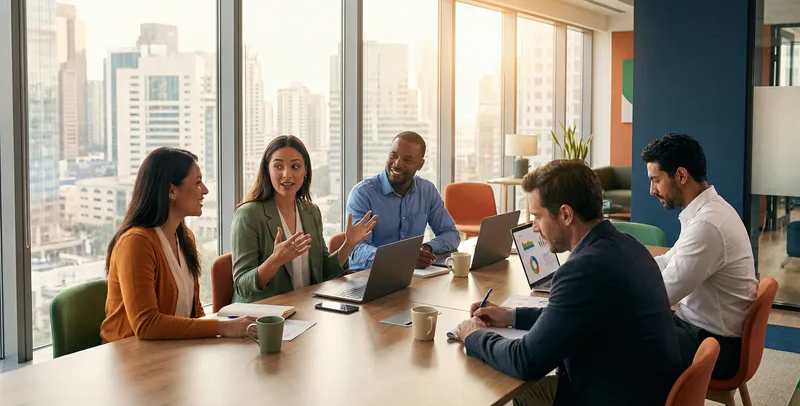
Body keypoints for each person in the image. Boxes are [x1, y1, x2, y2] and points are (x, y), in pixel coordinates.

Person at [454, 160, 681, 406]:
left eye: (538, 217)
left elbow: (525, 361)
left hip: (607, 396)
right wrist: (511, 316)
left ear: (565, 214)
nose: (535, 228)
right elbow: (571, 315)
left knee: (506, 388)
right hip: (646, 391)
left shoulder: (583, 270)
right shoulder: (628, 245)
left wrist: (474, 336)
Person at [101, 148, 253, 342]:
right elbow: (146, 324)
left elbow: (194, 311)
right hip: (132, 357)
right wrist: (223, 327)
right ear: (172, 190)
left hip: (173, 352)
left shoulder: (184, 236)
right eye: (198, 182)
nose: (205, 190)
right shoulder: (135, 242)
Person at [641, 133, 758, 379]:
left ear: (681, 176)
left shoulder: (707, 224)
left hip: (714, 346)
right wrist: (626, 269)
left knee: (615, 339)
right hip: (703, 330)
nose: (652, 190)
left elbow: (661, 294)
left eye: (656, 180)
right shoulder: (707, 211)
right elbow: (668, 261)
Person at [231, 135, 376, 302]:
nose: (287, 174)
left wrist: (349, 245)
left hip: (306, 309)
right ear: (267, 170)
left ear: (305, 171)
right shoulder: (248, 214)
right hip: (266, 316)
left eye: (295, 166)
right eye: (278, 166)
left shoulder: (311, 211)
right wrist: (274, 261)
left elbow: (323, 273)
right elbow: (242, 286)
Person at [346, 131, 460, 271]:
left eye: (407, 160)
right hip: (367, 275)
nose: (397, 164)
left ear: (420, 164)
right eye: (393, 156)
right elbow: (356, 248)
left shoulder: (427, 190)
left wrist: (426, 248)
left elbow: (451, 233)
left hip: (411, 274)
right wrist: (402, 258)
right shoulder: (362, 193)